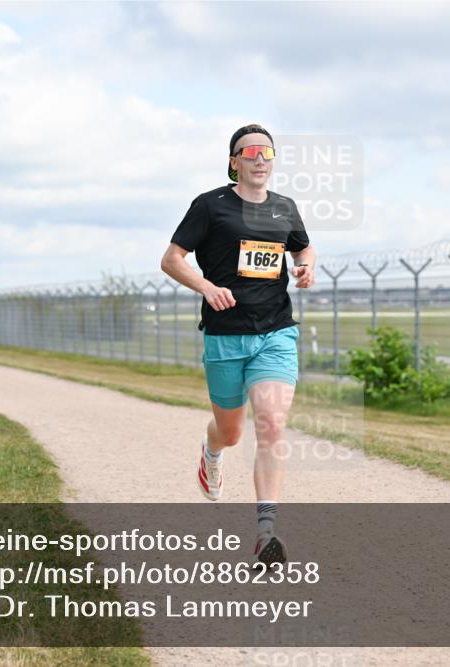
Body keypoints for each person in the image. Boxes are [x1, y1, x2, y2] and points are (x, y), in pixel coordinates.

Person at [161, 124, 316, 566]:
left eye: (267, 151)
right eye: (250, 152)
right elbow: (172, 259)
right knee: (231, 431)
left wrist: (305, 268)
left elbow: (304, 249)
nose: (260, 158)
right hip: (226, 336)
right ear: (234, 161)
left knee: (270, 423)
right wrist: (207, 288)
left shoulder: (285, 208)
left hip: (276, 332)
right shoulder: (210, 205)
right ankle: (211, 452)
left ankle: (266, 532)